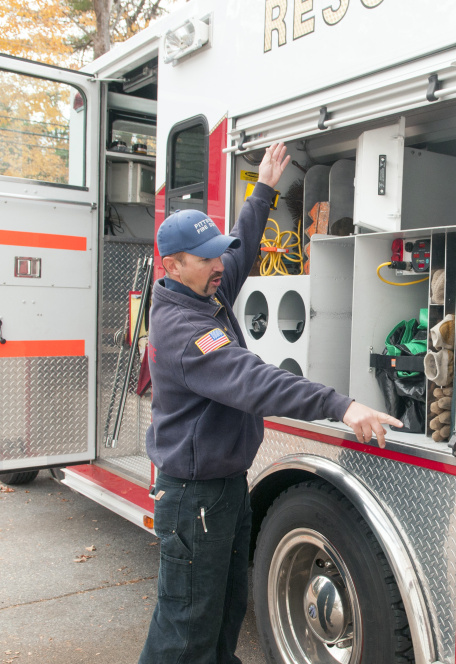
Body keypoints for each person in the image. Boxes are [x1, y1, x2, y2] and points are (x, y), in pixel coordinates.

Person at [139, 142, 401, 664]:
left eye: (216, 253)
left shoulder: (201, 292)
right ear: (171, 264)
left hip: (222, 490)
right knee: (186, 627)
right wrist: (340, 406)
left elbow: (239, 256)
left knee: (224, 610)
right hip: (195, 500)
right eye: (205, 257)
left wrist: (262, 191)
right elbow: (255, 380)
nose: (219, 264)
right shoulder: (183, 331)